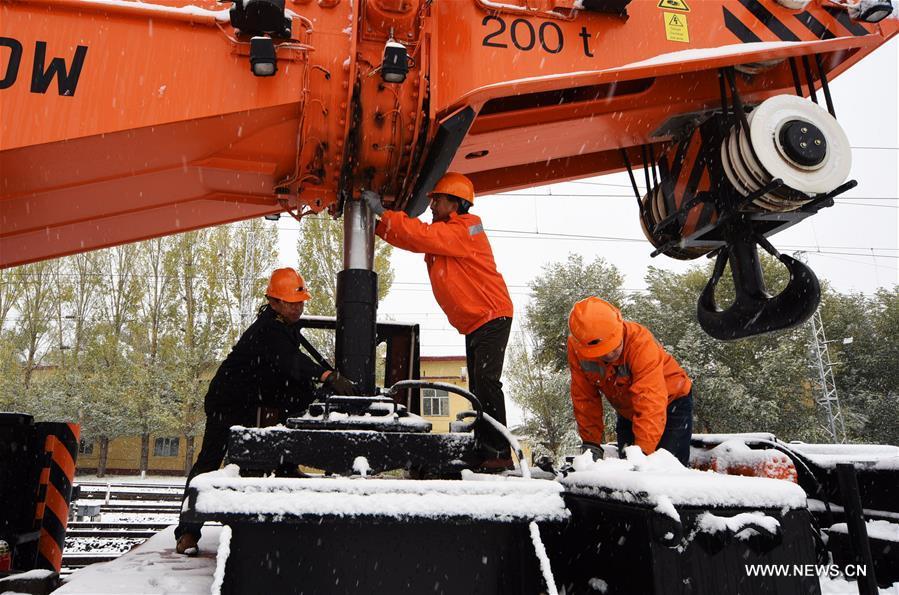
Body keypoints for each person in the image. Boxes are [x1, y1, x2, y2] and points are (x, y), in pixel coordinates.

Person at [174, 267, 359, 555]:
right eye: (290, 302)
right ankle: (187, 531)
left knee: (293, 404)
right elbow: (290, 361)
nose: (297, 308)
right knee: (210, 461)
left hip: (253, 400)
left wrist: (315, 388)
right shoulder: (269, 329)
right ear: (273, 302)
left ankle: (285, 466)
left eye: (300, 302)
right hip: (228, 401)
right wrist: (327, 376)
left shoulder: (283, 326)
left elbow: (289, 369)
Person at [362, 173, 514, 461]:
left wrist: (383, 212)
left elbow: (421, 236)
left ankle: (497, 451)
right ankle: (486, 446)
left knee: (486, 383)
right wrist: (380, 226)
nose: (431, 205)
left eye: (438, 199)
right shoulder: (447, 233)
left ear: (456, 204)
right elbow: (415, 240)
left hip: (491, 316)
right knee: (480, 385)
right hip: (479, 320)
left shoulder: (465, 230)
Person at [567, 297, 693, 465]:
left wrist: (641, 453)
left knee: (665, 472)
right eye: (603, 352)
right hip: (629, 410)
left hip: (672, 404)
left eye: (614, 346)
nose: (610, 355)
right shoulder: (577, 349)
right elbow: (585, 399)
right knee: (625, 472)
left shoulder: (640, 343)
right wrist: (591, 444)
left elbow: (650, 400)